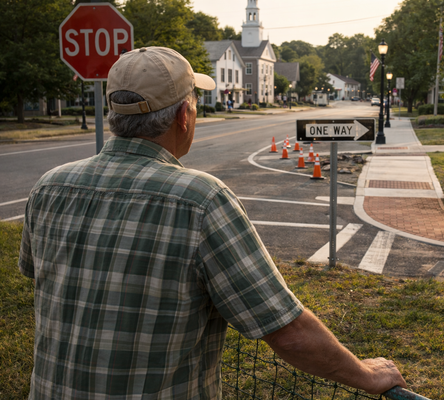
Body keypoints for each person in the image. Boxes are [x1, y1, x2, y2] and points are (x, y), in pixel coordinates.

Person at [19, 46, 405, 399]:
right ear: (184, 117)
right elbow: (286, 330)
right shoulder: (200, 199)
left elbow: (37, 274)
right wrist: (367, 376)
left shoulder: (50, 186)